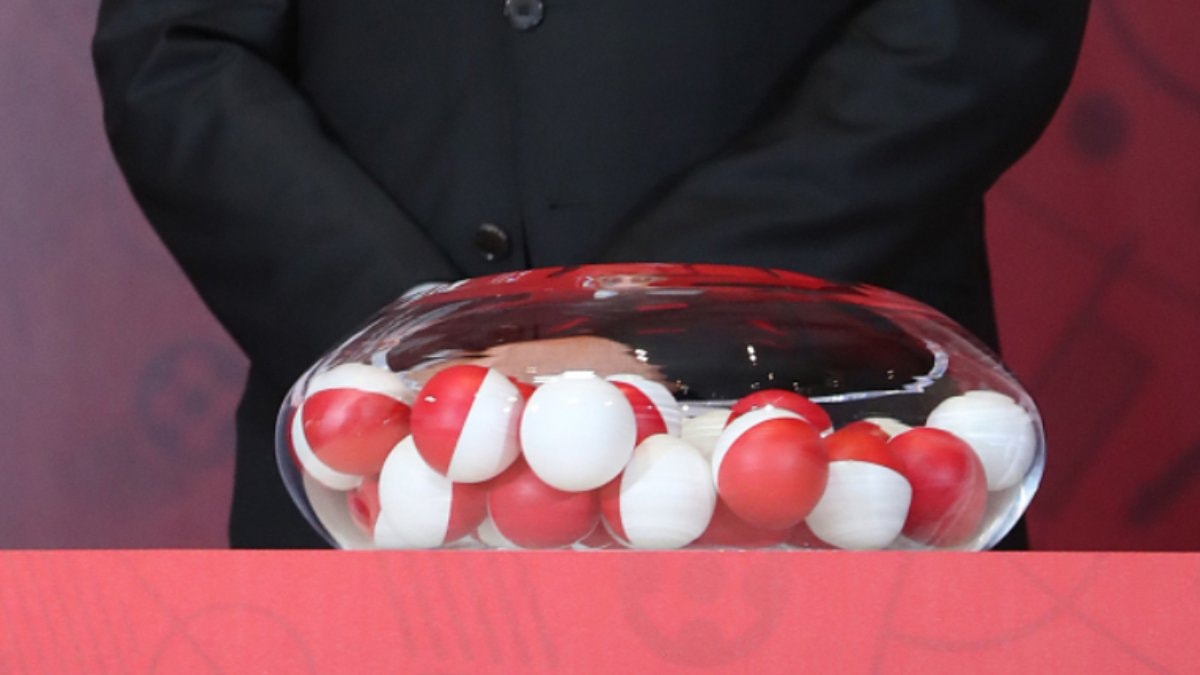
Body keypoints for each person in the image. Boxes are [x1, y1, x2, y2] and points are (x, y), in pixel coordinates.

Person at [92, 0, 1090, 549]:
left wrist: (649, 317)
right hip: (379, 470)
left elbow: (976, 24)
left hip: (834, 447)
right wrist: (420, 350)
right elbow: (178, 50)